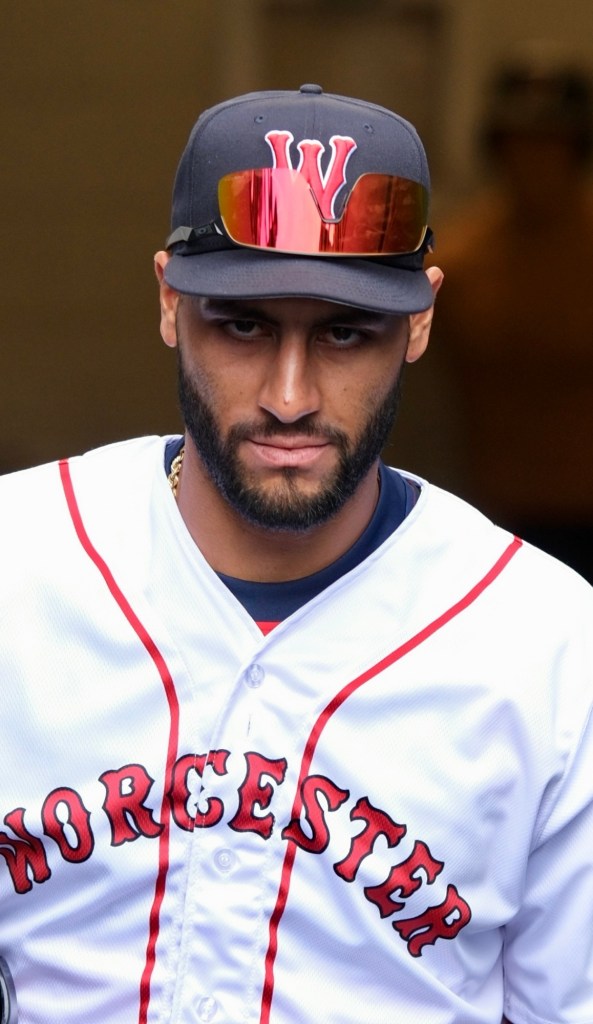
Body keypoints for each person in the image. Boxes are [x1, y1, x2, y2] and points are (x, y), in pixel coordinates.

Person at [0, 84, 592, 1024]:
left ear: (420, 320)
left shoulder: (552, 646)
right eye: (243, 325)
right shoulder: (17, 560)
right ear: (169, 300)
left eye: (344, 332)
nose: (288, 397)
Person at [426, 50, 593, 582]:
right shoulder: (458, 263)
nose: (536, 160)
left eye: (552, 143)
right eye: (521, 142)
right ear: (498, 148)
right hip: (499, 517)